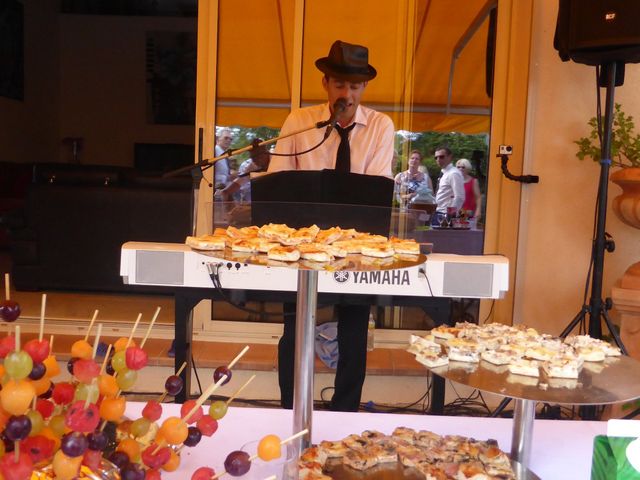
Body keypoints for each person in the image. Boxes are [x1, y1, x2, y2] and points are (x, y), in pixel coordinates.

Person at [268, 39, 395, 412]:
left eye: (355, 87)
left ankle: (346, 412)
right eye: (340, 85)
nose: (347, 94)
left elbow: (376, 189)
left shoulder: (381, 126)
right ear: (325, 84)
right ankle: (291, 408)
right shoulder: (298, 123)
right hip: (303, 247)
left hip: (356, 248)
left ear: (364, 88)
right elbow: (278, 180)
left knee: (354, 329)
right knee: (295, 329)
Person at [432, 146, 464, 225]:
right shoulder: (444, 173)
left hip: (445, 214)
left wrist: (450, 216)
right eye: (436, 158)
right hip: (438, 212)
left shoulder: (454, 173)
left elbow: (459, 197)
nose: (438, 159)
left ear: (450, 157)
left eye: (441, 157)